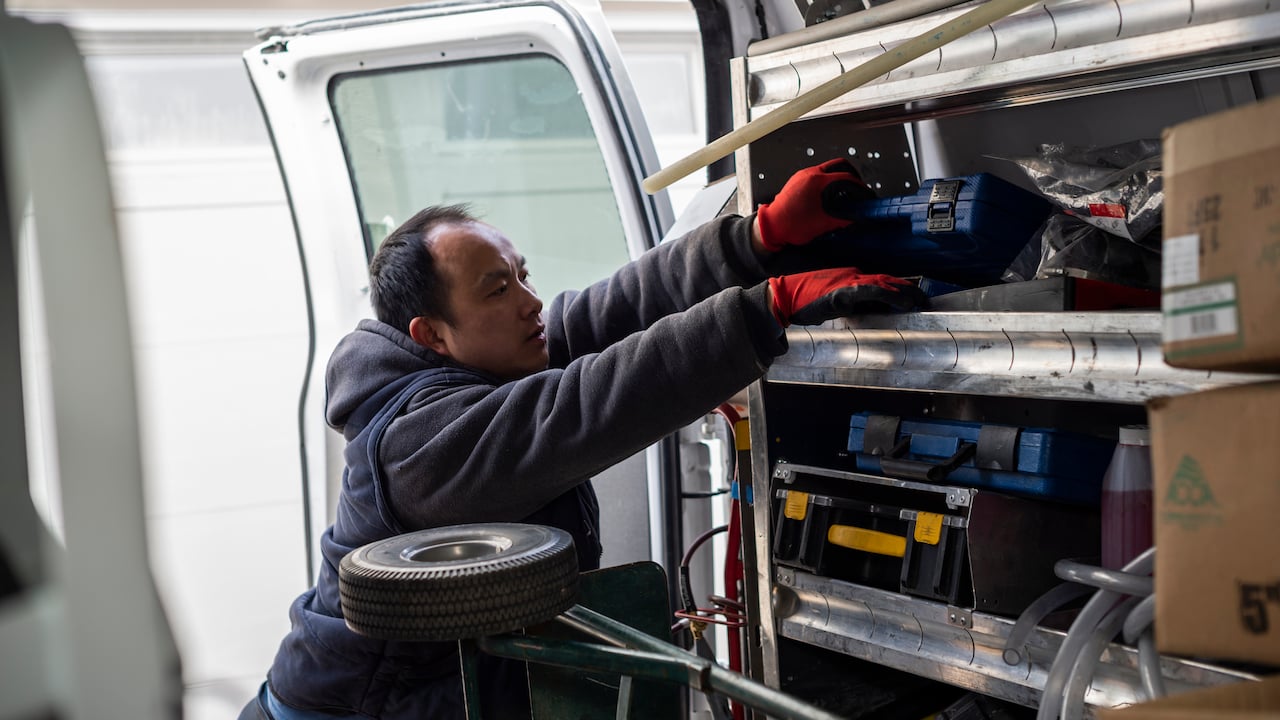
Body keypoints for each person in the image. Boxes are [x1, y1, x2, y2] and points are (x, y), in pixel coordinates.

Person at [239, 159, 923, 720]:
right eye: (498, 289)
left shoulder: (474, 364)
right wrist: (763, 310)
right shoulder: (418, 445)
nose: (531, 300)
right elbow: (585, 403)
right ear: (431, 334)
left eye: (524, 274)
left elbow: (598, 316)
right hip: (347, 712)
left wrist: (757, 238)